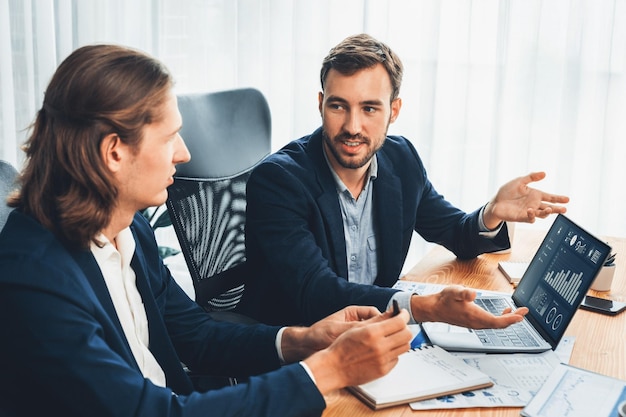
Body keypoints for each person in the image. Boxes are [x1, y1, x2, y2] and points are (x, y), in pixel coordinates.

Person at [0, 44, 416, 417]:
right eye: (170, 138)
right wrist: (326, 370)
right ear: (114, 152)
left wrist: (305, 340)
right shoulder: (36, 278)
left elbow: (197, 337)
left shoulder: (129, 231)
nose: (184, 154)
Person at [237, 33, 567, 326]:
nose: (353, 126)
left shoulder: (400, 159)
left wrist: (492, 213)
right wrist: (425, 308)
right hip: (302, 348)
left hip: (375, 332)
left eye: (369, 109)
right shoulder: (279, 180)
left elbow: (454, 232)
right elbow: (316, 292)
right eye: (339, 106)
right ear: (321, 104)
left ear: (393, 111)